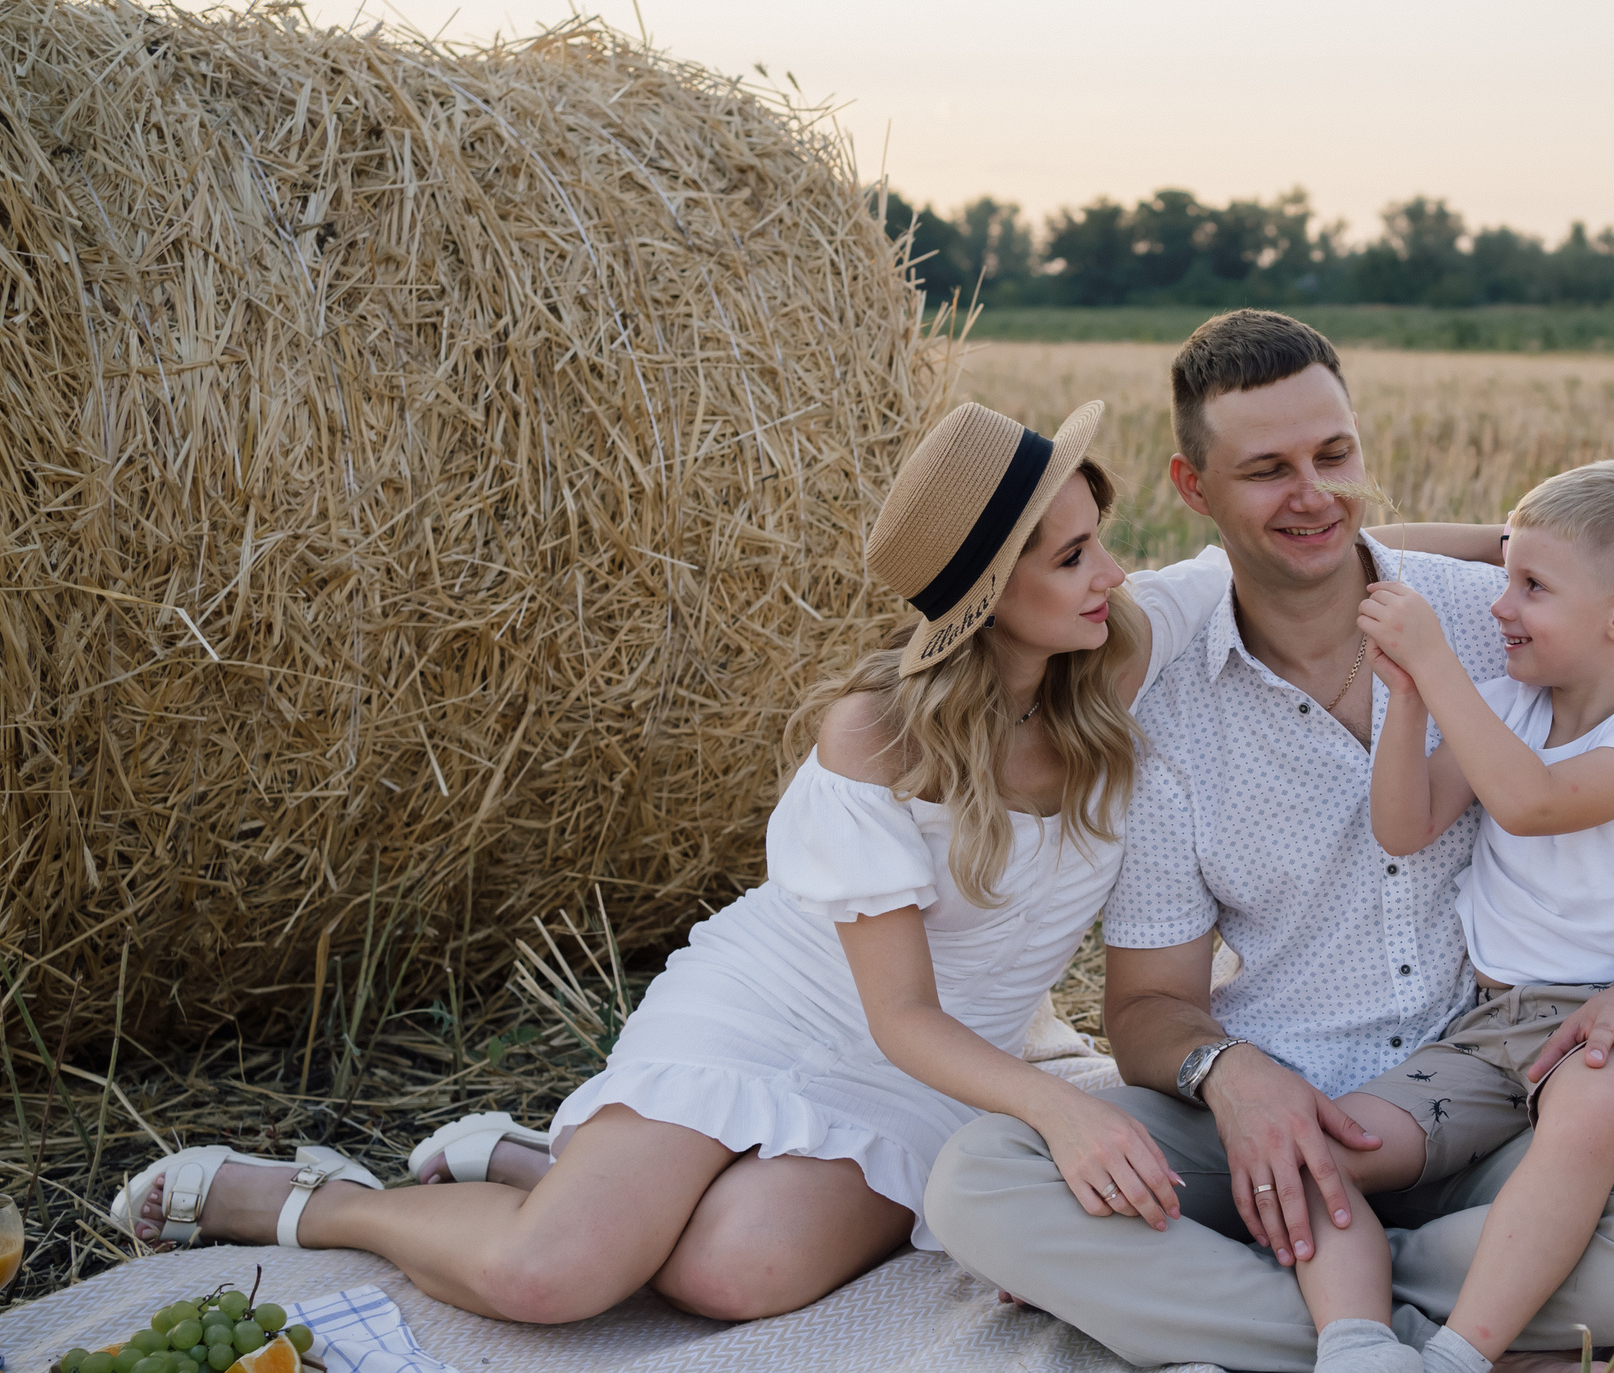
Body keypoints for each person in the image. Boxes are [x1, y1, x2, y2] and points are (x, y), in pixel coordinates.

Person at [112, 402, 1262, 1322]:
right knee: (548, 1281)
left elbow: (1316, 562)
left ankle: (537, 1162)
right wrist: (1058, 1113)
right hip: (782, 1014)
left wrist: (1431, 582)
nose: (1110, 570)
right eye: (1071, 556)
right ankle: (326, 1206)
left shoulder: (1126, 645)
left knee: (733, 1276)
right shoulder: (879, 735)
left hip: (922, 1085)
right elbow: (900, 1009)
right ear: (984, 602)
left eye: (1098, 536)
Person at [926, 312, 1614, 1373]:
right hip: (1275, 1123)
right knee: (983, 1183)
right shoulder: (1165, 709)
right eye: (1266, 470)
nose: (1313, 494)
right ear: (1194, 486)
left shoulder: (1497, 622)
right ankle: (1468, 1364)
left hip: (1498, 1094)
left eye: (1333, 455)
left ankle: (1327, 1329)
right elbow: (1143, 1012)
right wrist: (1232, 1076)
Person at [1248, 458, 1614, 1373]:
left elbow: (1533, 804)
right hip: (1483, 1025)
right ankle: (1359, 1353)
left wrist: (1443, 660)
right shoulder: (1508, 703)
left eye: (1531, 589)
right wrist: (1410, 701)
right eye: (1504, 578)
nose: (1498, 606)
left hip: (1596, 1024)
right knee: (1324, 1150)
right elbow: (1404, 824)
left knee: (1599, 1106)